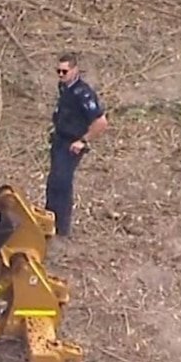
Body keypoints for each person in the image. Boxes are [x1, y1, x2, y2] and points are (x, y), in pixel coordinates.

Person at [45, 52, 109, 237]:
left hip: (72, 144)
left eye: (64, 71)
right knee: (53, 183)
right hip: (59, 140)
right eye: (58, 71)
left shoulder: (83, 93)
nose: (60, 75)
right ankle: (49, 222)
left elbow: (101, 122)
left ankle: (61, 229)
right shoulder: (64, 88)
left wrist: (83, 141)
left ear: (75, 70)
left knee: (62, 183)